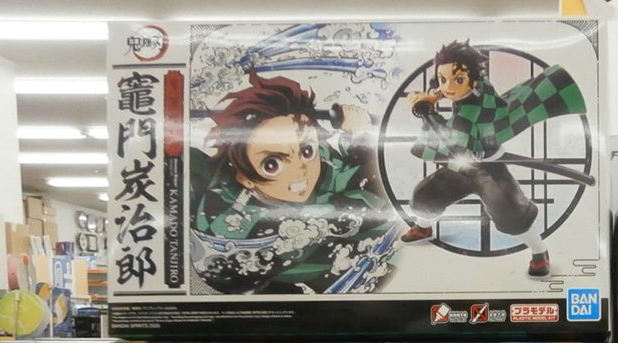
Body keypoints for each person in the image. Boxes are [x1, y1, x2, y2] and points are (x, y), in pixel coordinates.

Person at [191, 72, 392, 293]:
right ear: (245, 178)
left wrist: (353, 136)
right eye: (272, 164)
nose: (300, 169)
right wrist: (360, 136)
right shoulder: (236, 219)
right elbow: (367, 207)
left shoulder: (321, 160)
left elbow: (346, 173)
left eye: (306, 150)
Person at [403, 40, 587, 279]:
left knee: (512, 213)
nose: (449, 87)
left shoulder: (471, 110)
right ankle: (423, 227)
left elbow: (452, 141)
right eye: (442, 79)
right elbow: (447, 88)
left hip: (488, 167)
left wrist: (427, 112)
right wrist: (434, 94)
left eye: (458, 80)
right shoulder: (478, 84)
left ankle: (540, 252)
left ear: (473, 78)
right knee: (426, 195)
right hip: (463, 166)